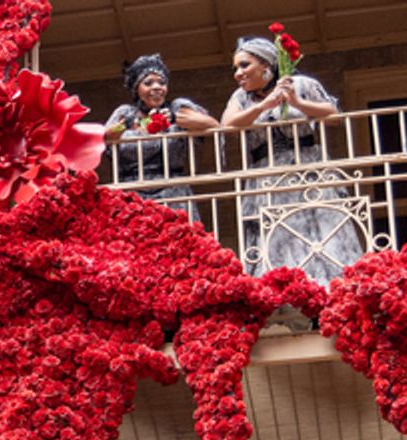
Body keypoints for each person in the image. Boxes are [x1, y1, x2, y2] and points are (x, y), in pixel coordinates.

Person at [222, 36, 365, 283]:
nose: (238, 73)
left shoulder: (299, 83)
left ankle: (329, 291)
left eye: (244, 65)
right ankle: (284, 295)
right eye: (235, 68)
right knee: (277, 239)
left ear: (266, 64)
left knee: (319, 233)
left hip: (306, 171)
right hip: (267, 176)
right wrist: (263, 106)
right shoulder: (241, 97)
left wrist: (297, 102)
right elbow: (227, 125)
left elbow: (334, 115)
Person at [104, 54, 218, 221]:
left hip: (174, 195)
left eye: (161, 83)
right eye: (148, 83)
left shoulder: (177, 108)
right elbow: (104, 137)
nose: (156, 87)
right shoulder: (125, 113)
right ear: (137, 89)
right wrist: (126, 124)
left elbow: (213, 125)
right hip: (133, 197)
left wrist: (173, 118)